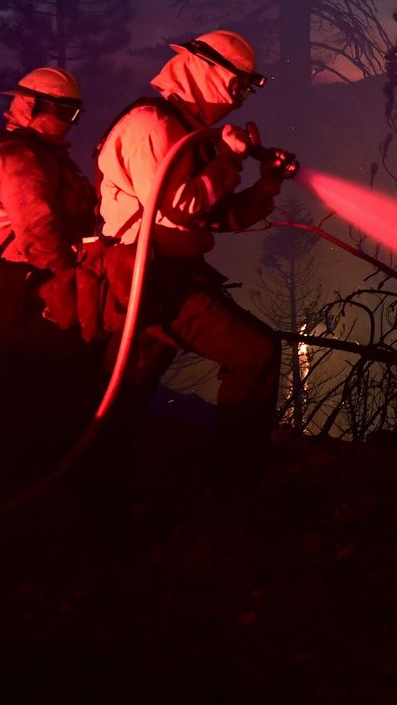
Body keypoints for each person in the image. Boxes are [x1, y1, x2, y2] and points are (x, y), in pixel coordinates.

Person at [95, 30, 298, 488]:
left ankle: (97, 495)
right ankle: (232, 489)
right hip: (150, 273)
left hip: (165, 273)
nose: (240, 100)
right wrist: (228, 159)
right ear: (204, 73)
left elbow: (214, 215)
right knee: (255, 352)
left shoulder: (185, 133)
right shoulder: (152, 124)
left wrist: (265, 185)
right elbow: (179, 206)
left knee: (123, 394)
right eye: (237, 86)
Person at [0, 66, 104, 486]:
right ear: (31, 106)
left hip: (45, 287)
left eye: (74, 114)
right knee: (36, 391)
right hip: (35, 293)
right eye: (62, 112)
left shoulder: (42, 155)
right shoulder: (17, 157)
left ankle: (38, 477)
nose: (67, 124)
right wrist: (67, 284)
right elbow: (39, 229)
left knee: (46, 392)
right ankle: (24, 483)